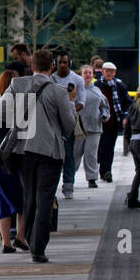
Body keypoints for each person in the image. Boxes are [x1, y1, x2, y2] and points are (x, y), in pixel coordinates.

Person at [0, 49, 76, 263]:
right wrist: (70, 103)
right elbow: (69, 126)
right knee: (45, 199)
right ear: (51, 67)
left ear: (32, 66)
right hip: (50, 152)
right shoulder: (59, 91)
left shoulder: (17, 85)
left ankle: (31, 239)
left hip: (23, 152)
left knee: (29, 198)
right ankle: (37, 248)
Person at [0, 69, 29, 254]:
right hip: (15, 158)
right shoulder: (19, 103)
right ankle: (21, 237)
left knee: (3, 202)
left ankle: (6, 243)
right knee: (22, 199)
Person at [51, 51, 85, 199]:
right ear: (55, 63)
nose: (63, 65)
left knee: (69, 154)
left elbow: (82, 102)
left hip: (68, 122)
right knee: (53, 155)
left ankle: (68, 185)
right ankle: (52, 185)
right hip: (53, 123)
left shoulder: (77, 79)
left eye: (65, 62)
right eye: (60, 62)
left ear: (69, 63)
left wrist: (69, 110)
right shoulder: (51, 79)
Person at [74, 65, 109, 187]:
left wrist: (104, 115)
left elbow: (105, 106)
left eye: (90, 72)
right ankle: (69, 178)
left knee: (91, 155)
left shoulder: (97, 91)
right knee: (75, 154)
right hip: (78, 128)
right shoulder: (75, 90)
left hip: (94, 128)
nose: (88, 75)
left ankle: (92, 179)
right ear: (80, 75)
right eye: (85, 73)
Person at [96, 61, 131, 182]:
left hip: (114, 122)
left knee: (109, 148)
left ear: (115, 73)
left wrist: (125, 117)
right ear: (102, 71)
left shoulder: (120, 86)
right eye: (107, 71)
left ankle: (106, 171)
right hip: (99, 123)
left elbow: (127, 103)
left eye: (112, 71)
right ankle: (103, 170)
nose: (109, 73)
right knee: (102, 147)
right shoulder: (97, 85)